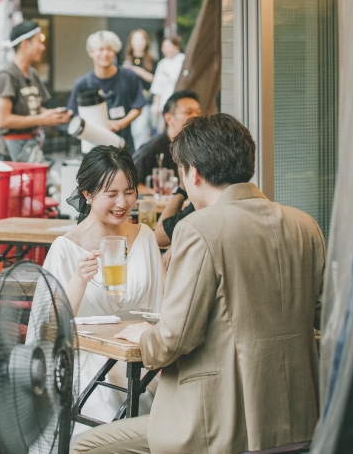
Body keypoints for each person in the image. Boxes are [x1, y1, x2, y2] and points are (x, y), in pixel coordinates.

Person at [73, 114, 326, 454]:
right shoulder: (305, 226)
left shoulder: (199, 228)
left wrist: (145, 337)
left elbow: (174, 339)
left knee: (87, 446)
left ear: (193, 172)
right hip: (300, 420)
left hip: (218, 426)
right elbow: (324, 317)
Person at [42, 145, 163, 425]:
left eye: (129, 191)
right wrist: (79, 280)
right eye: (111, 194)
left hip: (141, 355)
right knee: (105, 410)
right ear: (87, 194)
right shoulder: (65, 248)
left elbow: (161, 306)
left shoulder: (144, 236)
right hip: (90, 358)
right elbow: (49, 326)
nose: (123, 203)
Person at [0, 20, 71, 162]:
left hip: (31, 147)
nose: (42, 47)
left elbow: (34, 109)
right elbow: (3, 120)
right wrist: (42, 119)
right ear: (25, 44)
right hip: (10, 152)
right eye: (38, 42)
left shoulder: (32, 74)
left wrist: (55, 116)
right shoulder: (7, 75)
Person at [67, 31, 145, 154]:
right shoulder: (81, 84)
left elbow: (138, 106)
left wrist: (120, 123)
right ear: (91, 52)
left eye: (109, 49)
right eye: (100, 49)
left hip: (123, 142)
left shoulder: (129, 77)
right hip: (93, 147)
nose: (105, 53)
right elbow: (73, 115)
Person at [132, 90, 201, 191]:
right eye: (188, 112)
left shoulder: (200, 148)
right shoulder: (151, 149)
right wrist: (157, 195)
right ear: (169, 118)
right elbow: (129, 183)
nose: (196, 117)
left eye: (198, 112)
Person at [122, 29, 156, 150]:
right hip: (128, 102)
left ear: (146, 41)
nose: (139, 42)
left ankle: (140, 157)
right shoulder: (125, 59)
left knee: (141, 131)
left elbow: (154, 79)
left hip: (144, 101)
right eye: (135, 39)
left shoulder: (151, 60)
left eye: (141, 39)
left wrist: (137, 70)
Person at [149, 35, 185, 131]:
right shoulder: (162, 63)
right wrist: (156, 105)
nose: (166, 49)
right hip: (164, 102)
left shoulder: (183, 60)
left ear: (176, 46)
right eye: (164, 47)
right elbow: (157, 86)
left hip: (180, 101)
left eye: (168, 46)